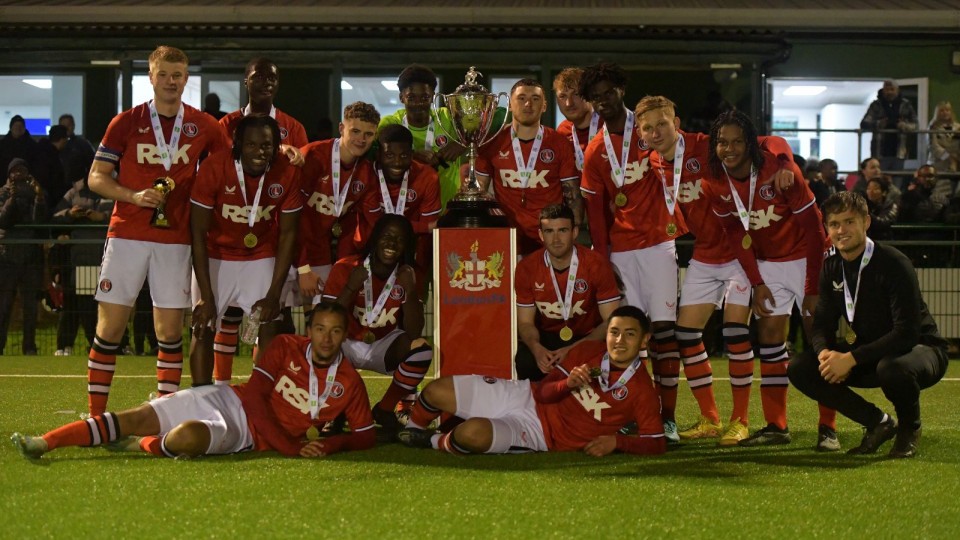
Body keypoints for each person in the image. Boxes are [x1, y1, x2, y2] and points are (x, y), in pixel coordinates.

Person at [633, 95, 798, 445]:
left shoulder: (706, 146)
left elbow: (770, 141)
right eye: (648, 127)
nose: (656, 131)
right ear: (641, 133)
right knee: (686, 334)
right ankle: (710, 418)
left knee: (735, 331)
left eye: (663, 123)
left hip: (741, 253)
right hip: (705, 255)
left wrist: (783, 161)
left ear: (676, 123)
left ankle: (739, 421)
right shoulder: (650, 162)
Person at [12, 302, 377, 460]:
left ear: (345, 335)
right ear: (309, 330)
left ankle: (138, 446)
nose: (326, 339)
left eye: (335, 332)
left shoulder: (350, 382)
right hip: (229, 400)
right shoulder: (285, 345)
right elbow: (254, 399)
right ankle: (46, 442)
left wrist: (331, 445)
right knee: (136, 414)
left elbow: (366, 437)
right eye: (319, 329)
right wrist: (289, 446)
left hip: (247, 436)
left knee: (187, 437)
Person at [84, 45, 229, 416]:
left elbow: (231, 166)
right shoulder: (126, 122)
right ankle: (97, 416)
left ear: (186, 79)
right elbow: (96, 179)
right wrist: (132, 195)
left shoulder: (205, 126)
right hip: (127, 234)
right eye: (163, 74)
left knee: (170, 333)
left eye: (177, 75)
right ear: (150, 77)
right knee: (111, 329)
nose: (170, 82)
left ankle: (164, 416)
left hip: (175, 239)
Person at [788, 192, 948, 458]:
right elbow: (821, 325)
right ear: (827, 229)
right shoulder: (831, 267)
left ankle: (910, 428)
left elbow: (907, 333)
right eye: (834, 224)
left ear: (866, 222)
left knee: (893, 368)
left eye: (849, 222)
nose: (842, 230)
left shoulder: (894, 263)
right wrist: (824, 354)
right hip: (871, 352)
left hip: (921, 350)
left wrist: (850, 358)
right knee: (801, 368)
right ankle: (878, 423)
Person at [703, 110, 826, 447]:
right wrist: (757, 282)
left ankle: (827, 427)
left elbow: (815, 231)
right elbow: (735, 237)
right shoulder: (715, 182)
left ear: (750, 144)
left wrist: (813, 286)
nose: (729, 149)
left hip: (805, 259)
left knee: (821, 342)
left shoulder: (779, 172)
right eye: (722, 143)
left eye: (737, 142)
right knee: (771, 343)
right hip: (767, 263)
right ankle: (776, 427)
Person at [397, 305, 666, 457]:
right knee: (436, 390)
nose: (619, 341)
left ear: (644, 340)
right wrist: (568, 384)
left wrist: (617, 442)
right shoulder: (587, 352)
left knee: (472, 434)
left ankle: (432, 441)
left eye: (629, 335)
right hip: (525, 394)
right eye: (614, 332)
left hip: (540, 435)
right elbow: (546, 393)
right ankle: (410, 429)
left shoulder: (643, 391)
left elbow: (656, 442)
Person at [579, 66, 687, 441]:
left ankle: (668, 418)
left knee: (663, 332)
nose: (603, 101)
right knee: (628, 336)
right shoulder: (595, 150)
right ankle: (635, 415)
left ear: (621, 90)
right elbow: (595, 211)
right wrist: (600, 257)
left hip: (659, 242)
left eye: (608, 93)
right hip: (621, 252)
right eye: (596, 97)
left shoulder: (649, 130)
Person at [189, 115, 303, 385]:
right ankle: (201, 397)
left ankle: (261, 399)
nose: (259, 152)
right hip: (217, 253)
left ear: (277, 146)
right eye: (251, 145)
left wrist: (275, 294)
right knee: (202, 326)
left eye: (266, 145)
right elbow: (197, 232)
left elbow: (288, 235)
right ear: (238, 143)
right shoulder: (214, 167)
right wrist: (205, 295)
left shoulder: (287, 170)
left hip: (259, 254)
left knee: (269, 322)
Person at [321, 214, 432, 440]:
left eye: (399, 240)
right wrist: (350, 288)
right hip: (348, 342)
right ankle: (335, 410)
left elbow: (413, 332)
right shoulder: (346, 267)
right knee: (320, 343)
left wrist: (410, 292)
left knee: (421, 350)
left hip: (383, 343)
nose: (392, 244)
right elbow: (326, 322)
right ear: (374, 239)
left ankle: (385, 409)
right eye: (387, 236)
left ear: (406, 246)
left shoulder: (408, 274)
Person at [514, 204, 621, 381]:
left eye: (562, 230)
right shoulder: (527, 268)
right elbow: (525, 323)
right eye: (549, 231)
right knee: (523, 360)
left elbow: (610, 321)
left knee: (608, 357)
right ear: (541, 235)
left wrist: (573, 350)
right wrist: (536, 349)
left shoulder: (596, 264)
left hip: (587, 338)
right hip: (546, 340)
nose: (556, 239)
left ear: (574, 232)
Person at [476, 78, 580, 256]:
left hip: (549, 239)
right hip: (506, 237)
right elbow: (479, 193)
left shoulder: (559, 143)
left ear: (545, 106)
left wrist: (572, 234)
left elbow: (573, 195)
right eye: (521, 98)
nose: (528, 104)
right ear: (509, 104)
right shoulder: (492, 143)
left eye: (535, 99)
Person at [296, 102, 380, 310]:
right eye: (355, 131)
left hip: (321, 256)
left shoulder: (367, 173)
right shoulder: (313, 156)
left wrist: (348, 263)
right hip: (290, 251)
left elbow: (369, 223)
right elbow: (292, 214)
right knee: (275, 317)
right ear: (342, 129)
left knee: (318, 317)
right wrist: (302, 266)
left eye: (369, 134)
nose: (361, 139)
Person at [378, 64, 467, 212]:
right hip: (405, 211)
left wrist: (463, 142)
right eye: (411, 97)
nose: (418, 103)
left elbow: (485, 125)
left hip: (448, 210)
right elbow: (378, 156)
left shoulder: (448, 117)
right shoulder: (391, 123)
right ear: (401, 97)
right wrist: (412, 155)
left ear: (433, 96)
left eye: (425, 97)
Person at [356, 124, 440, 277]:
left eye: (404, 156)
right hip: (369, 248)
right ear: (378, 155)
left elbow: (430, 229)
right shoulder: (366, 175)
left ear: (412, 154)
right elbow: (377, 226)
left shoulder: (428, 177)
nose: (397, 163)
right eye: (389, 155)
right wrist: (422, 227)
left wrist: (417, 270)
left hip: (410, 249)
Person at [49, 175, 113, 356]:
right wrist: (70, 214)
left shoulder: (113, 188)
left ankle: (105, 344)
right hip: (81, 259)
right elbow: (54, 218)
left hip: (106, 259)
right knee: (76, 304)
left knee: (103, 306)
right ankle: (67, 345)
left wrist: (102, 217)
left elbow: (125, 216)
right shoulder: (73, 193)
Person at [0, 158, 46, 355]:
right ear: (9, 174)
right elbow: (3, 221)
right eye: (15, 171)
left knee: (30, 308)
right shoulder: (3, 193)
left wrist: (39, 198)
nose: (18, 174)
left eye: (22, 170)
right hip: (7, 257)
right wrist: (11, 198)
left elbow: (39, 222)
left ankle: (29, 347)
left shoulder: (35, 192)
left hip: (30, 258)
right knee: (4, 306)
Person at [860, 80, 917, 185]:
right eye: (887, 89)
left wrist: (903, 126)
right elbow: (864, 123)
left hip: (900, 151)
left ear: (897, 90)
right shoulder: (876, 105)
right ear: (883, 90)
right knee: (879, 182)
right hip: (880, 152)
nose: (889, 92)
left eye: (892, 89)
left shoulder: (906, 105)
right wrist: (878, 124)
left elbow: (915, 125)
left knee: (897, 184)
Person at [553, 67, 602, 180]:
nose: (569, 103)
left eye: (576, 94)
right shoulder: (562, 131)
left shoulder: (608, 125)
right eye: (562, 96)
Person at [927, 101, 960, 176]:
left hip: (956, 166)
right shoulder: (932, 126)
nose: (945, 113)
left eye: (947, 110)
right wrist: (948, 156)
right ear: (937, 112)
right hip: (937, 165)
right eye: (942, 110)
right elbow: (933, 147)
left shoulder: (958, 127)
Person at [0, 115, 39, 179]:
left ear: (24, 128)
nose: (18, 128)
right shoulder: (3, 145)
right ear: (11, 128)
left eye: (20, 126)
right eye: (16, 126)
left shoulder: (32, 146)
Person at [864, 176, 898, 241]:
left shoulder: (890, 205)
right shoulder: (864, 203)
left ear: (884, 192)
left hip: (884, 240)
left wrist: (866, 213)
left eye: (875, 189)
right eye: (868, 188)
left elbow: (884, 223)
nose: (871, 191)